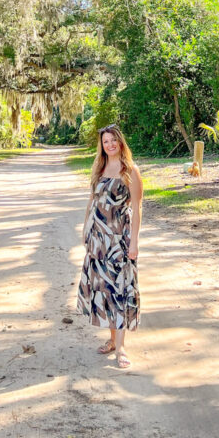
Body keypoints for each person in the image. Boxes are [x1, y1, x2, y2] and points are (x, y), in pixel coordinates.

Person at [77, 124, 143, 369]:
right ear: (102, 145)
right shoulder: (99, 168)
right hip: (99, 239)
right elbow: (92, 201)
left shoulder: (130, 171)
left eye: (114, 140)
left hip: (119, 240)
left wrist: (134, 242)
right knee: (105, 289)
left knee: (121, 290)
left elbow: (137, 209)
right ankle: (113, 341)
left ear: (120, 142)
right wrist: (86, 229)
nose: (110, 145)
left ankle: (122, 347)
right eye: (106, 142)